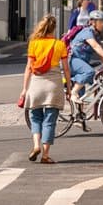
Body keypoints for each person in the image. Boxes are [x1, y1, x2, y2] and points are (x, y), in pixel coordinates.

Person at [20, 15, 68, 164]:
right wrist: (70, 86)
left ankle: (35, 146)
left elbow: (29, 68)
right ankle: (45, 155)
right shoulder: (60, 45)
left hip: (36, 84)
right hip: (53, 85)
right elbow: (66, 68)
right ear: (54, 29)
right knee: (50, 120)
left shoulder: (34, 44)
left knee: (35, 117)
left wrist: (24, 89)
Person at [67, 10, 103, 124]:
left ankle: (79, 119)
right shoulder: (87, 32)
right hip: (72, 60)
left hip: (80, 62)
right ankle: (72, 93)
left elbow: (99, 54)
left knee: (81, 95)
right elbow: (95, 46)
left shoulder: (95, 35)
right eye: (101, 22)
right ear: (93, 22)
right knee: (89, 72)